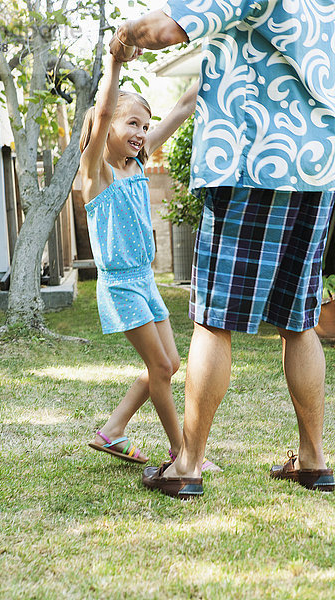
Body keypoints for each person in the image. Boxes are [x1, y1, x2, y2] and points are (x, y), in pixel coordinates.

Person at [109, 1, 335, 498]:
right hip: (318, 160)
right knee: (299, 319)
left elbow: (165, 28)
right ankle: (314, 460)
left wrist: (121, 38)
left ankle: (187, 465)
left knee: (215, 318)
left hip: (250, 156)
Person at [80, 49, 220, 471]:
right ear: (106, 129)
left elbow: (180, 108)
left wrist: (223, 56)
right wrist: (114, 65)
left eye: (144, 125)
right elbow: (103, 112)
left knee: (171, 364)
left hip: (145, 282)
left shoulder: (137, 165)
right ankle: (182, 452)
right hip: (121, 285)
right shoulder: (96, 174)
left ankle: (113, 430)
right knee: (160, 366)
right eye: (132, 124)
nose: (141, 132)